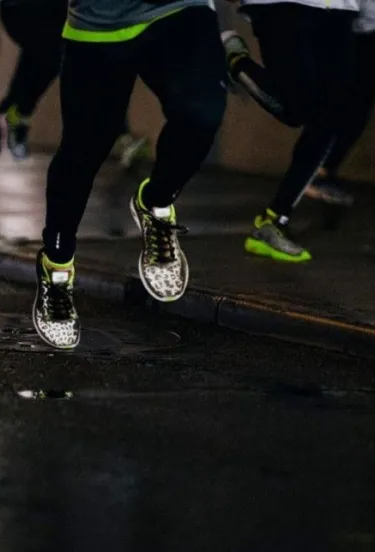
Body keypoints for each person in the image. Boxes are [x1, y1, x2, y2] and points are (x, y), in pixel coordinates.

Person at [31, 0, 227, 349]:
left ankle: (156, 203)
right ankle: (57, 267)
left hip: (180, 9)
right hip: (100, 22)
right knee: (83, 153)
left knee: (202, 112)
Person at [0, 0, 149, 203]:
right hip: (22, 10)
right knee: (66, 58)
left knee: (33, 74)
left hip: (50, 16)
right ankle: (120, 133)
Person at [221, 0, 360, 263]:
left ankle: (273, 221)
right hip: (283, 4)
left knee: (332, 113)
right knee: (295, 108)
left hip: (340, 7)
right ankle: (235, 59)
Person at [305, 0, 375, 206]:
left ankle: (321, 170)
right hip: (345, 23)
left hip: (370, 27)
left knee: (357, 106)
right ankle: (316, 172)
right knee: (338, 104)